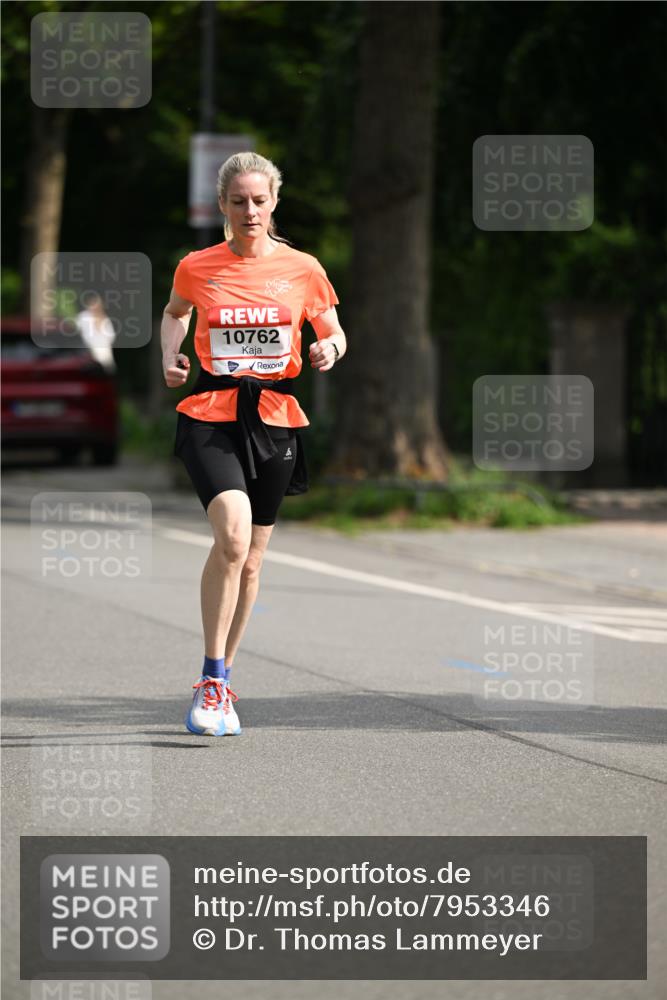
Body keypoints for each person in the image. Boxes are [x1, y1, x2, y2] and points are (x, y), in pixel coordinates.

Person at [161, 151, 346, 737]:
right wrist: (170, 353)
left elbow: (334, 330)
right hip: (210, 415)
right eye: (238, 201)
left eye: (259, 200)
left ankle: (224, 679)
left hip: (275, 417)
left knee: (252, 559)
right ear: (222, 203)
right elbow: (175, 313)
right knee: (234, 537)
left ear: (274, 202)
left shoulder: (303, 268)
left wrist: (328, 349)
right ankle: (210, 679)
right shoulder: (197, 266)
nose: (250, 211)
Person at [76, 292, 117, 372]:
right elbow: (77, 334)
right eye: (93, 303)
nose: (95, 306)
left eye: (98, 303)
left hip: (106, 356)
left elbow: (111, 338)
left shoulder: (106, 319)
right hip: (88, 356)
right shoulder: (83, 317)